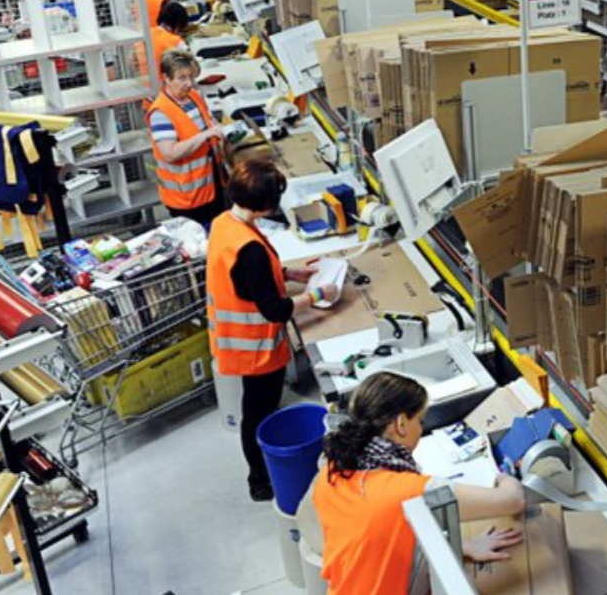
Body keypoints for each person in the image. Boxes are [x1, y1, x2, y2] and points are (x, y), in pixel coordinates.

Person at [314, 372, 526, 594]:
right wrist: (503, 474)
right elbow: (513, 501)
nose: (421, 427)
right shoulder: (409, 493)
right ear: (401, 423)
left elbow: (376, 539)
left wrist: (464, 546)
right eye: (420, 420)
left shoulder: (331, 472)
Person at [207, 158, 333, 502]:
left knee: (256, 410)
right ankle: (260, 480)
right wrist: (318, 295)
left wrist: (290, 275)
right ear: (266, 205)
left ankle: (259, 474)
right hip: (256, 350)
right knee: (259, 413)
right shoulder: (250, 250)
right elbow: (274, 309)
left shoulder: (225, 222)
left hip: (236, 343)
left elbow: (248, 280)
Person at [147, 49, 226, 226]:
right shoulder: (161, 112)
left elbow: (209, 124)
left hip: (211, 186)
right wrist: (207, 134)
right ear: (166, 78)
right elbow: (169, 153)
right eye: (182, 78)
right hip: (187, 197)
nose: (189, 83)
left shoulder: (194, 97)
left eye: (191, 77)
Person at [149, 1, 189, 77]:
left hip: (142, 86)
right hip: (165, 86)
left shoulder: (146, 35)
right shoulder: (176, 42)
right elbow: (191, 67)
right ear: (178, 24)